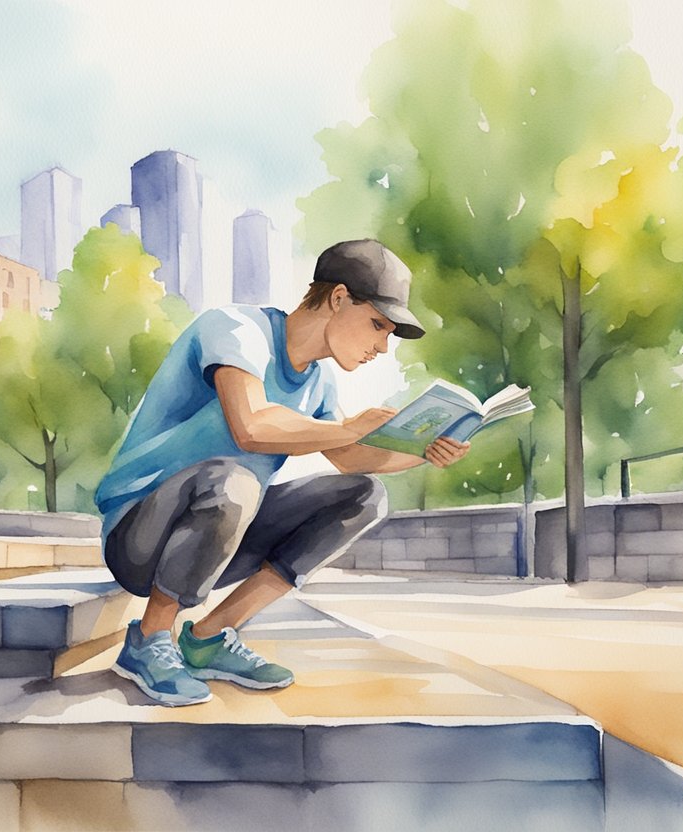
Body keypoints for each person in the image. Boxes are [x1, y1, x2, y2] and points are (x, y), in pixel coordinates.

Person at [94, 239, 470, 706]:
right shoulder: (236, 328)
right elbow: (250, 426)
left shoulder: (318, 381)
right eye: (377, 325)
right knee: (234, 481)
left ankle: (210, 635)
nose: (381, 346)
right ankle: (148, 640)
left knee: (363, 497)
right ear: (337, 298)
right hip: (139, 534)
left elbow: (351, 458)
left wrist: (424, 451)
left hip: (217, 531)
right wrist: (347, 427)